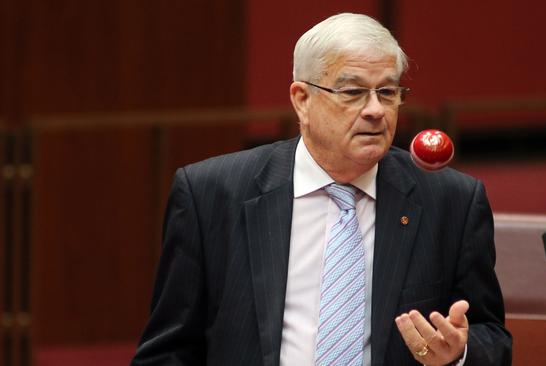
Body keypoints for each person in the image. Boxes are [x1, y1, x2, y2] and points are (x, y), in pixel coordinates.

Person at [131, 13, 511, 366]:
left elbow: (492, 337)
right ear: (302, 100)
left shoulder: (451, 201)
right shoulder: (211, 195)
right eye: (353, 93)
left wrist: (458, 354)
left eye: (388, 92)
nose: (375, 110)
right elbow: (169, 352)